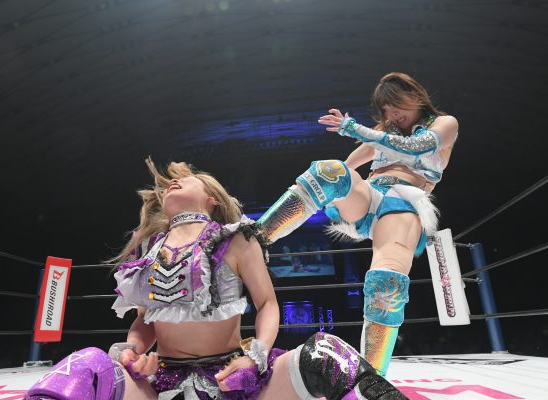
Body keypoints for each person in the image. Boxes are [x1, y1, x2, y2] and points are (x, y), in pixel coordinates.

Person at [25, 158, 406, 400]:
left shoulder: (236, 239)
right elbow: (145, 319)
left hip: (234, 377)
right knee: (85, 364)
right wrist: (133, 352)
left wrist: (255, 358)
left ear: (212, 197)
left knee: (327, 353)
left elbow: (267, 304)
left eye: (186, 180)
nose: (172, 184)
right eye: (169, 183)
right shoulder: (150, 249)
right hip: (160, 385)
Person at [257, 72, 459, 377]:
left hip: (404, 204)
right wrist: (340, 187)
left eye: (395, 105)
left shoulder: (445, 124)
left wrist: (355, 128)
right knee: (330, 171)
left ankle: (371, 379)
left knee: (386, 284)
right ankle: (255, 237)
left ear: (415, 96)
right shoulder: (383, 133)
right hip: (369, 196)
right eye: (386, 110)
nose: (392, 114)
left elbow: (416, 146)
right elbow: (352, 163)